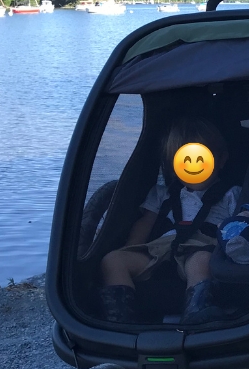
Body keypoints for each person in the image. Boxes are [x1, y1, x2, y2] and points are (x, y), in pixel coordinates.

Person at [99, 117, 240, 324]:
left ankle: (197, 311)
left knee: (201, 261)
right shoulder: (162, 194)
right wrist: (130, 248)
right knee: (112, 261)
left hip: (203, 246)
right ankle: (120, 318)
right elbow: (145, 224)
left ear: (221, 160)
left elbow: (238, 227)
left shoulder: (231, 194)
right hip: (160, 248)